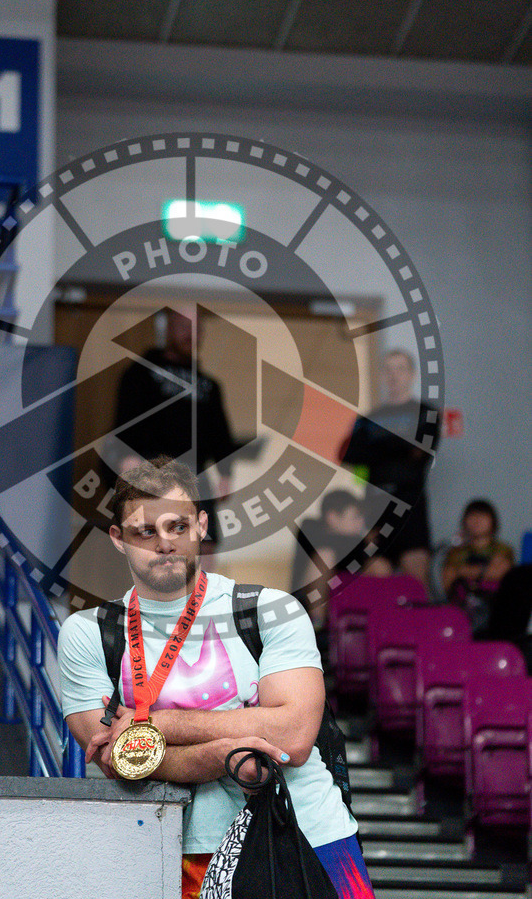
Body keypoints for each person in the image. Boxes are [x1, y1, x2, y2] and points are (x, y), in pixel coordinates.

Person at [58, 456, 376, 899]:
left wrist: (157, 726)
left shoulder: (271, 610)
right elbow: (121, 763)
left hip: (306, 831)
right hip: (180, 849)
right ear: (118, 538)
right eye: (145, 531)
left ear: (202, 525)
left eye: (177, 527)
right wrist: (227, 752)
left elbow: (296, 736)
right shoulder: (88, 632)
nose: (164, 543)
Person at [109, 306, 237, 559]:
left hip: (195, 472)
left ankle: (203, 598)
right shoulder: (141, 373)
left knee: (205, 543)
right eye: (183, 327)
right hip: (154, 467)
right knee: (154, 538)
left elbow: (221, 435)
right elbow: (125, 420)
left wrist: (226, 473)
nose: (191, 334)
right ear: (167, 329)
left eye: (197, 329)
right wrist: (127, 457)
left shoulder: (209, 386)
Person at [340, 349, 440, 586]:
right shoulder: (368, 417)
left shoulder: (426, 413)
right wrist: (398, 446)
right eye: (389, 369)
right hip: (374, 507)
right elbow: (348, 454)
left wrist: (376, 447)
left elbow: (419, 453)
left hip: (410, 506)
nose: (394, 375)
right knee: (376, 577)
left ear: (412, 375)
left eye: (401, 368)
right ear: (382, 375)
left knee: (415, 579)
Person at [292, 489, 392, 624]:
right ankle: (316, 623)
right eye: (355, 517)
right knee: (325, 556)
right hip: (307, 604)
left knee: (378, 565)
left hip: (347, 600)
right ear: (332, 517)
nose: (360, 523)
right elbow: (332, 544)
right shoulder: (312, 531)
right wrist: (365, 542)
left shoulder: (356, 545)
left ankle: (378, 623)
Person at [442, 499, 514, 634]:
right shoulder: (455, 551)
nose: (477, 520)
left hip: (495, 608)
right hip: (463, 610)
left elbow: (498, 573)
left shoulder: (503, 549)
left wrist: (462, 571)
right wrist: (482, 572)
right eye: (472, 515)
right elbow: (448, 582)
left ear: (493, 521)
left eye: (482, 515)